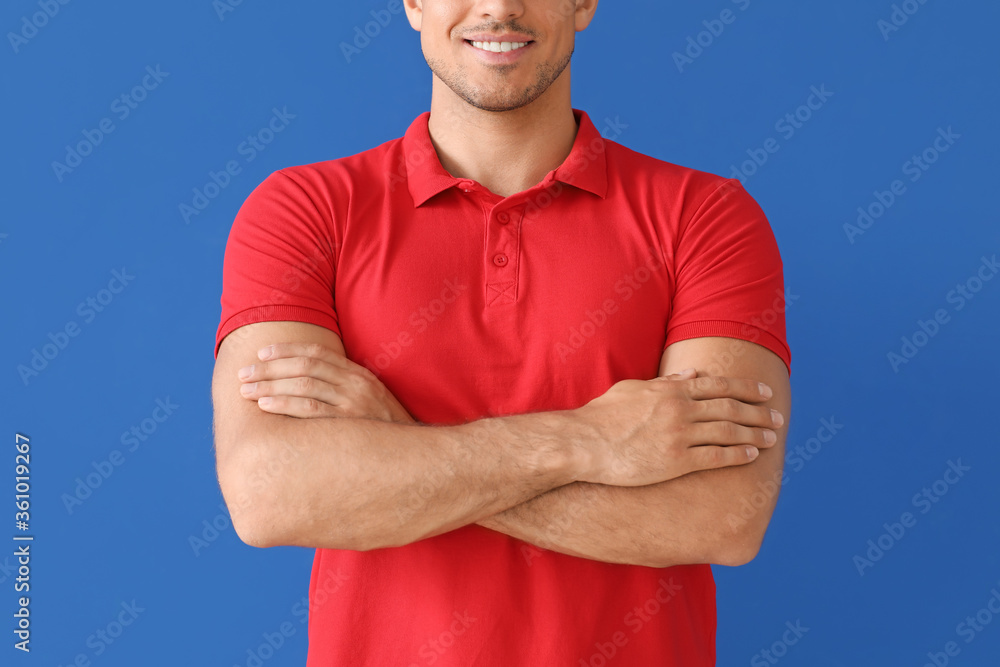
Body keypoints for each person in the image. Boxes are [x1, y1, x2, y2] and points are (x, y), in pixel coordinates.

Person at [211, 1, 791, 664]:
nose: (498, 7)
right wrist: (592, 440)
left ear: (583, 4)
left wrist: (397, 440)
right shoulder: (302, 211)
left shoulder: (708, 218)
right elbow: (271, 493)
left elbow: (724, 515)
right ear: (413, 4)